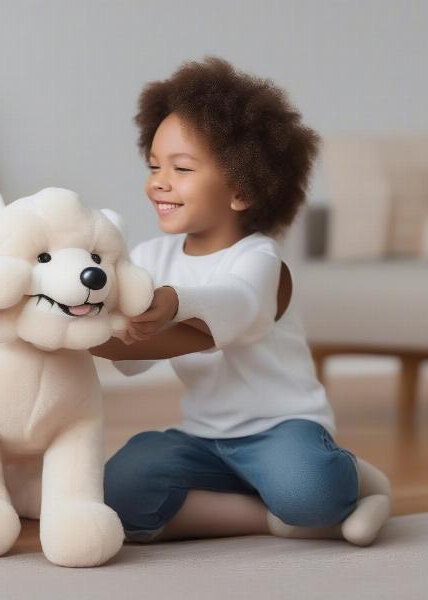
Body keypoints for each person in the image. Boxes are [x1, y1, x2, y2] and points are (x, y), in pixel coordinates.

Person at [90, 56, 391, 547]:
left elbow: (238, 311)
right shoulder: (150, 256)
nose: (158, 182)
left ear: (242, 189)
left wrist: (171, 300)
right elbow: (134, 362)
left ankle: (359, 482)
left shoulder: (260, 259)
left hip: (281, 430)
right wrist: (96, 332)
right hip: (204, 439)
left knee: (309, 488)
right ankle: (269, 518)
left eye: (181, 169)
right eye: (154, 166)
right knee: (116, 490)